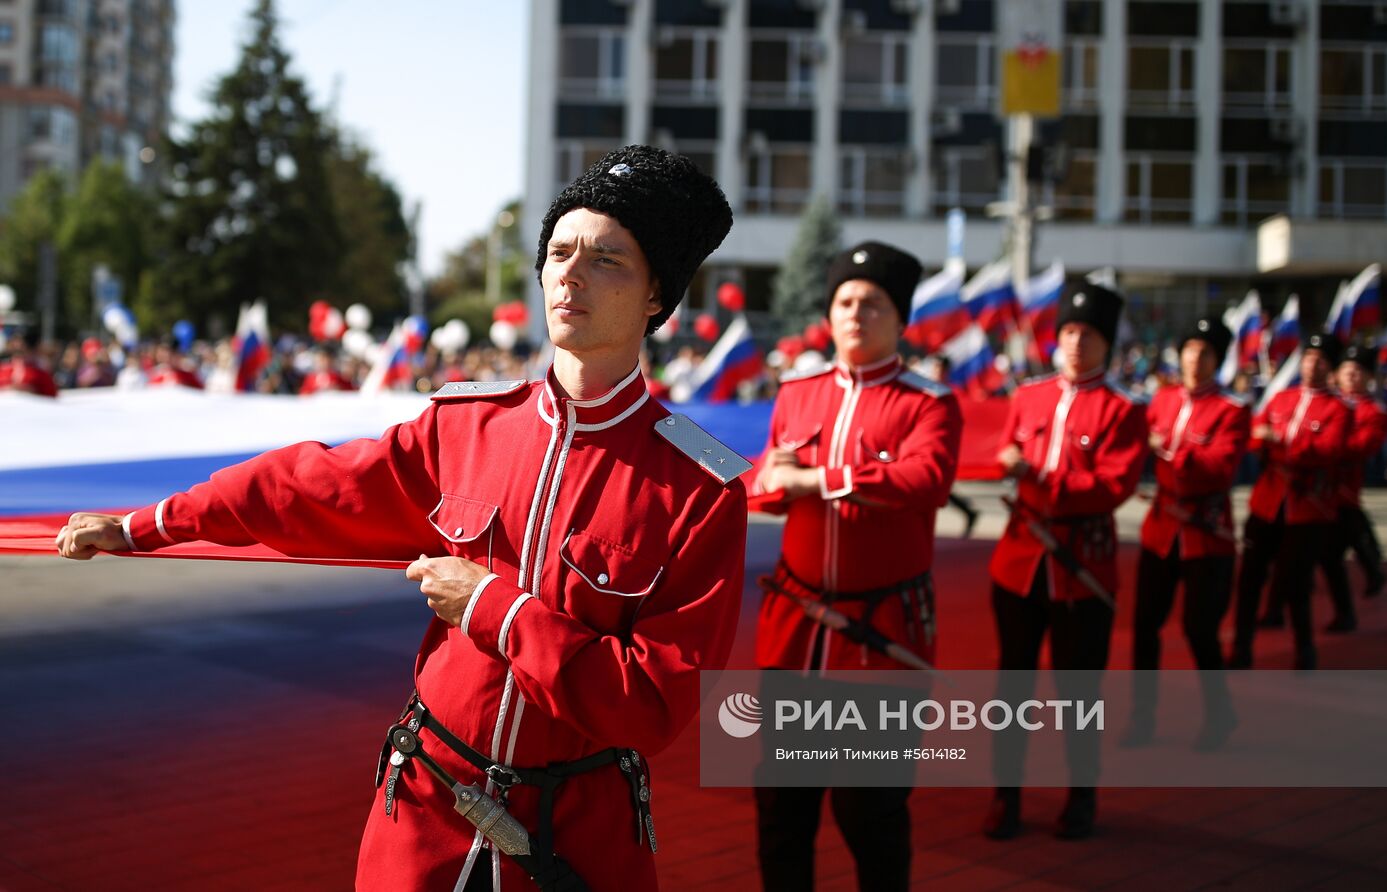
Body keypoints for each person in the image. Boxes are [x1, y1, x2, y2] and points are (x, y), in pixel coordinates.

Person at [56, 145, 749, 892]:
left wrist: (496, 610)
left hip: (579, 837)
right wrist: (148, 524)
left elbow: (651, 705)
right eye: (558, 251)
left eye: (608, 259)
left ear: (656, 296)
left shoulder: (698, 485)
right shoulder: (466, 426)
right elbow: (307, 486)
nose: (571, 274)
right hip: (426, 809)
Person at [748, 241, 963, 891]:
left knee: (870, 812)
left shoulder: (929, 403)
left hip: (882, 641)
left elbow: (924, 479)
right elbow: (765, 486)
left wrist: (819, 479)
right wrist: (782, 484)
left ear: (900, 320)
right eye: (845, 301)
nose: (856, 314)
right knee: (783, 808)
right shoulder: (798, 391)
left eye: (873, 304)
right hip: (795, 634)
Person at [984, 281, 1148, 841]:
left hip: (1083, 568)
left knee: (1079, 695)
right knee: (1013, 691)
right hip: (1020, 561)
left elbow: (1111, 487)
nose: (1077, 342)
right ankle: (1006, 796)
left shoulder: (1124, 409)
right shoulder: (1027, 395)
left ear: (1107, 343)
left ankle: (1082, 794)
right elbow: (1007, 452)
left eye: (1090, 334)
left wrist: (1036, 475)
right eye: (1070, 331)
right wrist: (1013, 466)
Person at [1125, 316, 1250, 750]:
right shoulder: (1160, 399)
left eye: (1205, 353)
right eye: (1190, 351)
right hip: (1161, 530)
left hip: (1206, 535)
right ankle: (1142, 717)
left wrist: (1173, 452)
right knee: (1144, 627)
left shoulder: (1233, 409)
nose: (1195, 360)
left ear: (1218, 360)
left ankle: (1219, 715)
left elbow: (1222, 467)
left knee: (1200, 631)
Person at [1232, 333, 1353, 671]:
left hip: (1307, 508)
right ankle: (1241, 649)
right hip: (1268, 500)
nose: (1313, 365)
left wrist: (1284, 441)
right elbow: (1257, 435)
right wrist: (1283, 444)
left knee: (1296, 583)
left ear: (1331, 367)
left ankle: (1304, 649)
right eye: (1309, 357)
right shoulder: (1282, 398)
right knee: (1250, 579)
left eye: (1321, 360)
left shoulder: (1338, 409)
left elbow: (1328, 450)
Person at [1317, 344, 1387, 627]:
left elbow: (1362, 446)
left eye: (1358, 371)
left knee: (1333, 549)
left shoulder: (1373, 411)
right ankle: (1372, 565)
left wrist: (1324, 446)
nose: (1351, 376)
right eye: (1347, 370)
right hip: (1316, 488)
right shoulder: (1328, 401)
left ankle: (1347, 610)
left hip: (1342, 487)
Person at [927, 352, 980, 537]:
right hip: (926, 444)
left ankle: (967, 512)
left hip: (944, 445)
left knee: (937, 484)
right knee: (937, 485)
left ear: (947, 371)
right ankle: (968, 512)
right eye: (935, 368)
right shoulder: (925, 390)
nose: (937, 372)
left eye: (941, 368)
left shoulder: (953, 393)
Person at [0, 330, 59, 397]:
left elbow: (52, 400)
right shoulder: (3, 369)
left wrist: (30, 393)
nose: (17, 346)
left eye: (22, 345)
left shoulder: (41, 374)